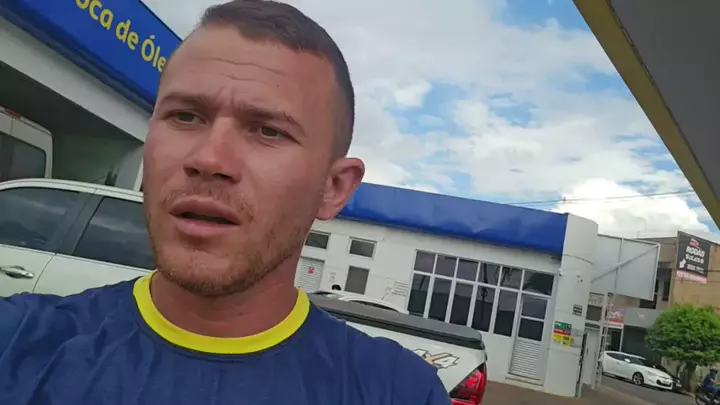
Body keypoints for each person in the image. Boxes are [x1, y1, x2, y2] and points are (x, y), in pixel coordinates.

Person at [0, 1, 449, 404]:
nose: (209, 159)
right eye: (185, 116)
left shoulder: (396, 391)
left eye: (268, 130)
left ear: (333, 188)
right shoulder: (17, 345)